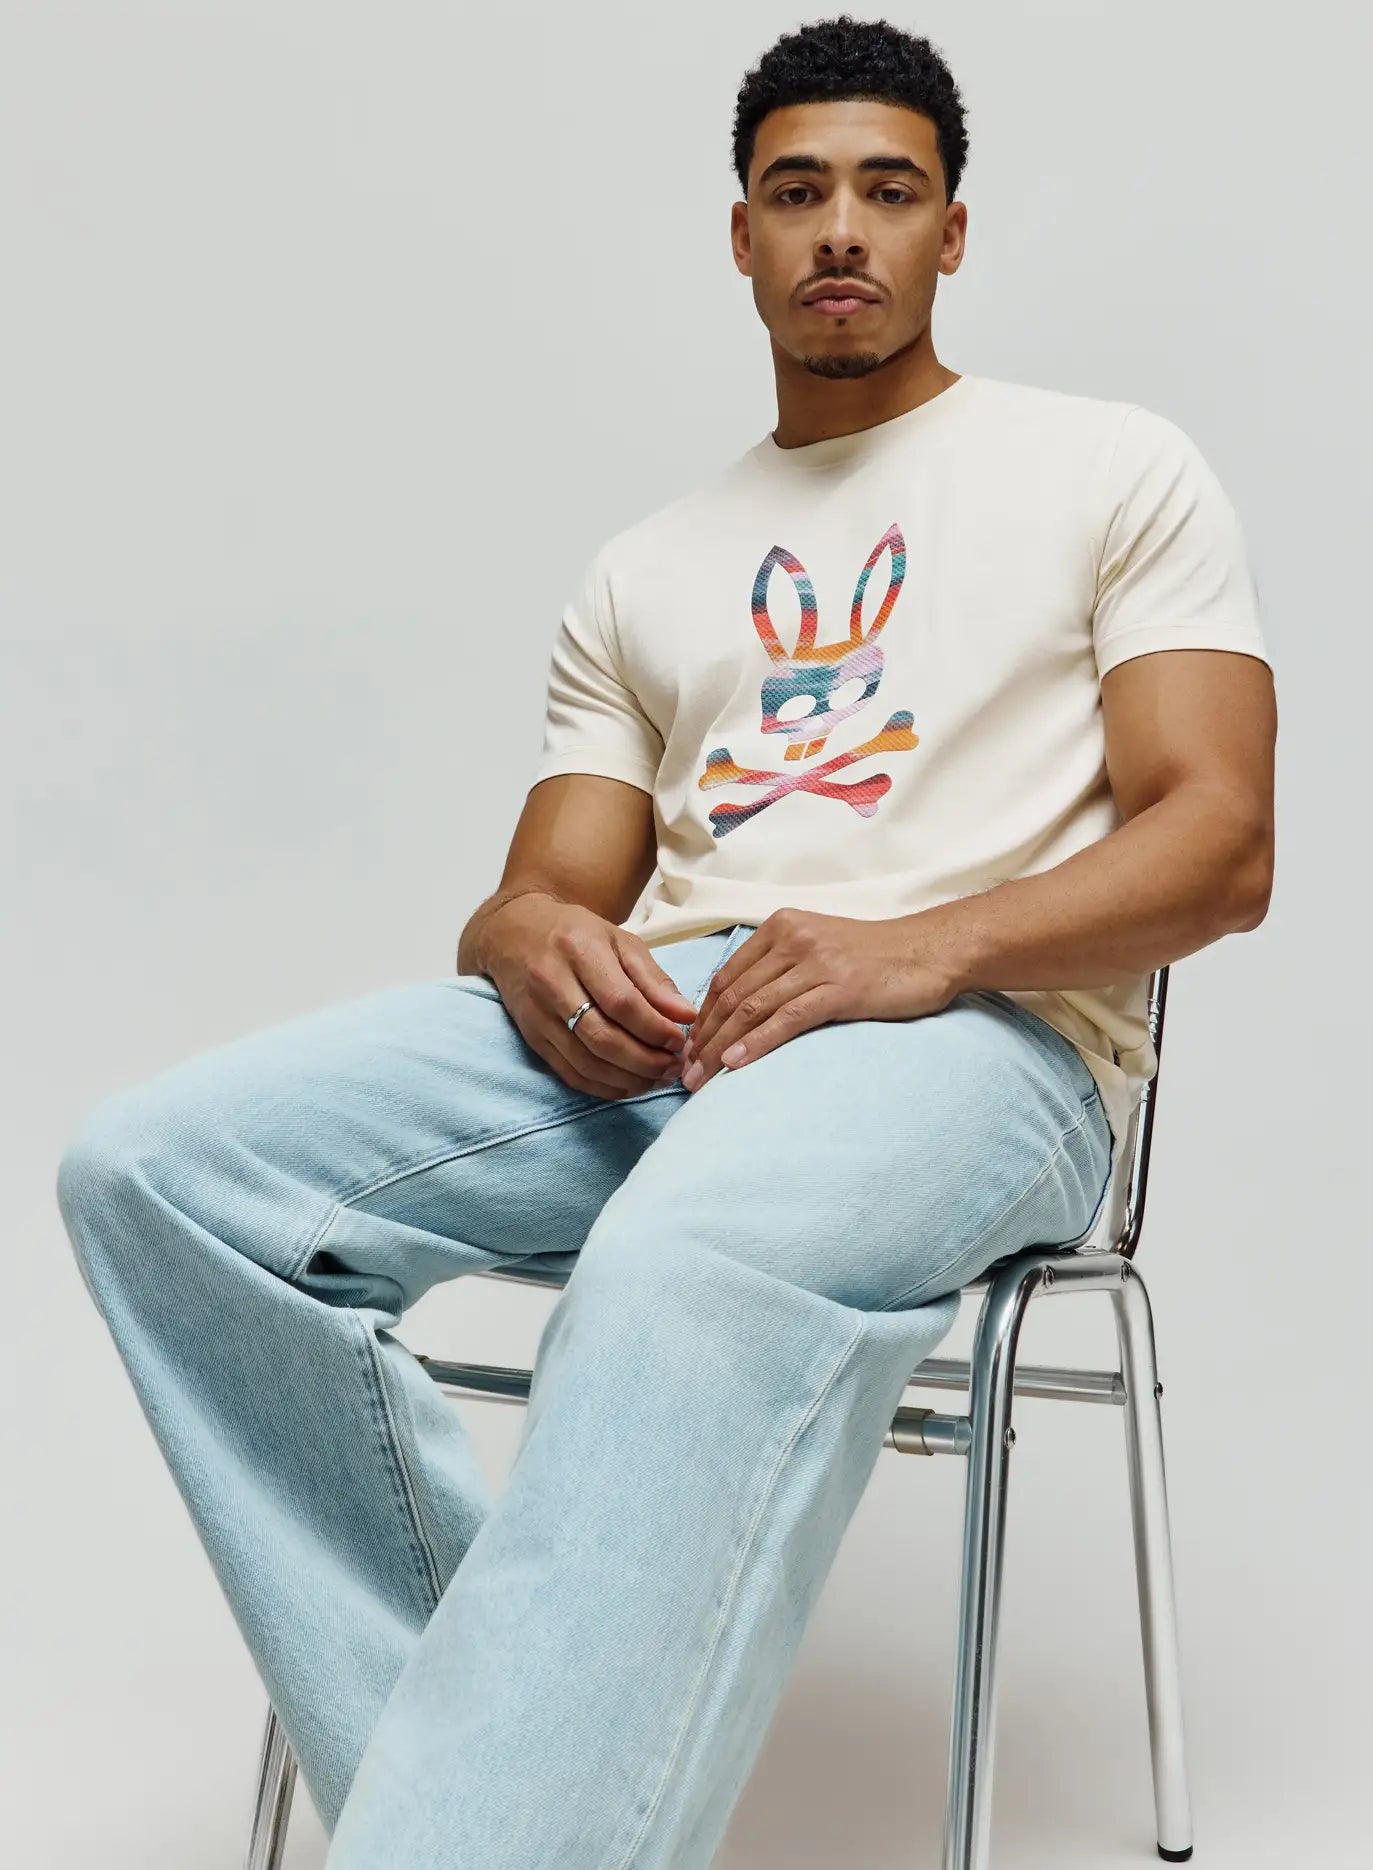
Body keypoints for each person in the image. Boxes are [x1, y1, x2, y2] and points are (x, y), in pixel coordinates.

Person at [55, 16, 1276, 1869]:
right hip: (693, 1025)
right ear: (741, 235)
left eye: (889, 190)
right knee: (157, 1175)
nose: (842, 228)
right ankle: (485, 1801)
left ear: (954, 231)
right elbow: (542, 890)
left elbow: (1222, 842)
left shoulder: (1111, 469)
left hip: (989, 1040)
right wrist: (529, 939)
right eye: (799, 192)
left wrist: (919, 949)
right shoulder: (649, 565)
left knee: (674, 1257)